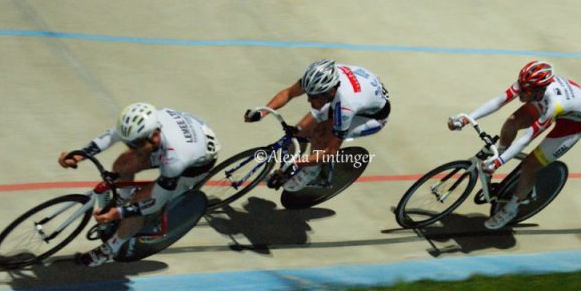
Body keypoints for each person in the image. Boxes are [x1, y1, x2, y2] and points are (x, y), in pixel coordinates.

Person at [59, 103, 220, 266]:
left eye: (136, 145)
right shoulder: (141, 126)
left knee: (139, 202)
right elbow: (112, 135)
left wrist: (120, 213)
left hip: (194, 164)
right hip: (185, 134)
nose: (131, 149)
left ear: (154, 136)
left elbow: (153, 202)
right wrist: (79, 156)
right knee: (122, 165)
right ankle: (123, 198)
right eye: (129, 144)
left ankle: (111, 248)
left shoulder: (175, 160)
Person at [448, 61, 581, 230]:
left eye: (526, 90)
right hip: (545, 100)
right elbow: (499, 101)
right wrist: (467, 118)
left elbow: (527, 138)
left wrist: (498, 162)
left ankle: (511, 209)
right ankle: (500, 153)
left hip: (574, 124)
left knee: (531, 164)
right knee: (511, 123)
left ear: (539, 89)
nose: (521, 92)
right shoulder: (529, 84)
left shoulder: (554, 104)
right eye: (521, 86)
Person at [244, 59, 391, 191]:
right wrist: (262, 112)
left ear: (331, 90)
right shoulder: (318, 78)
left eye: (314, 97)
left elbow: (330, 151)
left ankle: (313, 173)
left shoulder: (346, 106)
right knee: (299, 131)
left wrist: (298, 163)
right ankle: (289, 169)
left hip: (371, 118)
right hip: (359, 93)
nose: (309, 100)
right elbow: (288, 93)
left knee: (321, 132)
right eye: (308, 94)